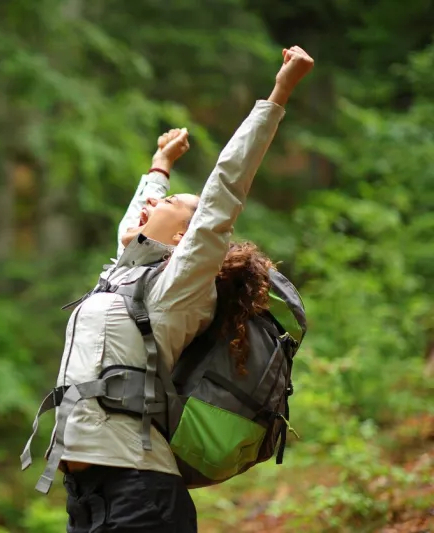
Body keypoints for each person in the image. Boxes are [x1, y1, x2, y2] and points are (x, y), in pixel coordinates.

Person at [43, 46, 314, 532]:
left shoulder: (178, 287)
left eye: (167, 202)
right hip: (90, 495)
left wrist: (278, 93)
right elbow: (135, 226)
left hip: (140, 493)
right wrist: (159, 166)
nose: (153, 203)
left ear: (186, 239)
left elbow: (223, 190)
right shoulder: (125, 277)